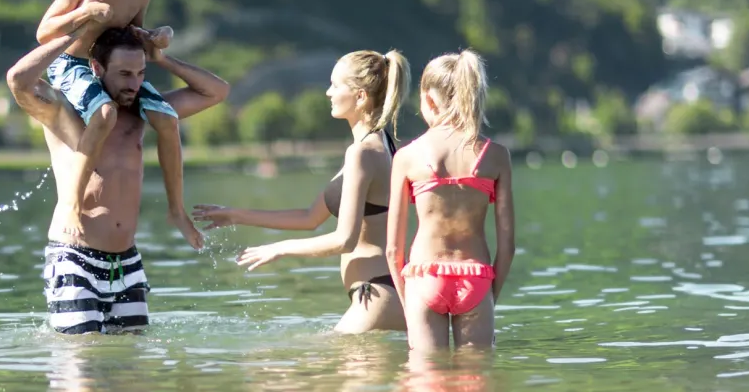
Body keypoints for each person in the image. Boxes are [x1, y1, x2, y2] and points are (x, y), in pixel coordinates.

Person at [6, 25, 229, 335]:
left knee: (130, 370)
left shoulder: (142, 112)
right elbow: (18, 80)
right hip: (75, 256)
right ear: (97, 68)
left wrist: (161, 59)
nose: (134, 83)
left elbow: (216, 91)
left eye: (140, 73)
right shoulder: (64, 110)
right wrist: (73, 37)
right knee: (80, 369)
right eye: (124, 74)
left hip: (127, 264)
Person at [192, 50, 411, 334]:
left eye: (335, 85)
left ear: (359, 96)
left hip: (376, 296)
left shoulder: (363, 153)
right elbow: (309, 217)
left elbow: (344, 240)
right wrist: (236, 215)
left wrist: (279, 248)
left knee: (282, 371)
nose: (328, 92)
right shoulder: (379, 145)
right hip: (381, 294)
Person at [35, 0, 202, 251]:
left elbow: (132, 37)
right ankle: (71, 205)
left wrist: (158, 36)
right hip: (72, 64)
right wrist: (84, 13)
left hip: (110, 67)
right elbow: (43, 33)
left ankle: (176, 211)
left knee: (167, 120)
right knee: (106, 115)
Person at [385, 50, 515, 352]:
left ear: (429, 100)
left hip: (424, 275)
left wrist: (409, 304)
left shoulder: (406, 157)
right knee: (477, 380)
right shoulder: (496, 156)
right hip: (476, 276)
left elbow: (393, 250)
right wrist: (489, 297)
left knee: (426, 379)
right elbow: (507, 247)